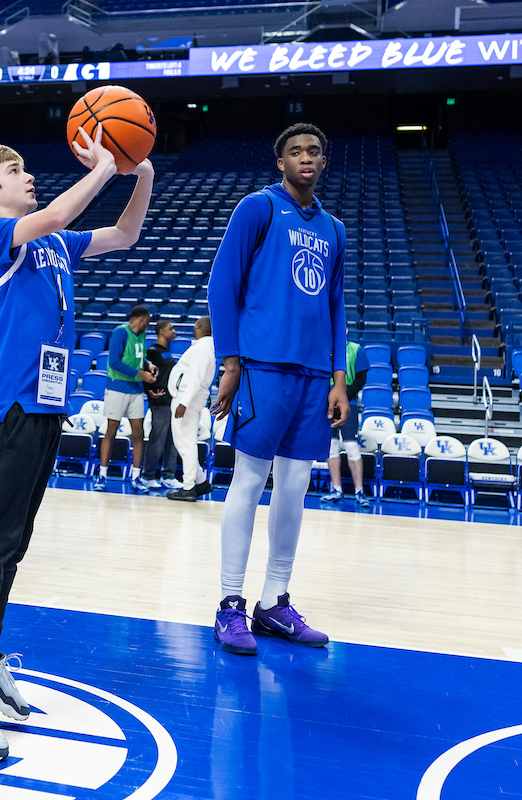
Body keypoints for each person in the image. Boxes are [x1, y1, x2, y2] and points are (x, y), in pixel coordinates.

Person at [0, 128, 153, 762]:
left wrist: (139, 173)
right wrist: (104, 166)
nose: (29, 175)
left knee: (12, 545)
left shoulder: (53, 243)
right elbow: (55, 212)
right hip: (11, 408)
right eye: (15, 170)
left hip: (47, 405)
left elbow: (124, 235)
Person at [207, 122, 348, 656]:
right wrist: (230, 362)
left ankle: (274, 603)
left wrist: (338, 378)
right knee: (248, 481)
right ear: (281, 162)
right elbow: (222, 284)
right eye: (295, 151)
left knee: (294, 488)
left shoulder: (334, 229)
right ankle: (230, 604)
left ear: (323, 162)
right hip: (262, 368)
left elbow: (336, 306)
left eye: (314, 151)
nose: (305, 157)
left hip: (314, 375)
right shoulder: (258, 208)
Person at [93, 305, 156, 492]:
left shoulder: (141, 335)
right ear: (141, 318)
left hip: (136, 389)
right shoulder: (120, 332)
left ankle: (135, 477)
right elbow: (114, 362)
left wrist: (148, 365)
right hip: (117, 388)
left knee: (138, 433)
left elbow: (137, 357)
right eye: (147, 321)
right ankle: (102, 475)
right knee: (111, 430)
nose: (148, 325)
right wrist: (141, 373)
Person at [165, 316, 216, 501]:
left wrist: (184, 402)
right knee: (184, 443)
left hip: (187, 399)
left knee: (186, 443)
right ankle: (201, 482)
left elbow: (195, 378)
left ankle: (188, 487)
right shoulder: (205, 347)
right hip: (190, 398)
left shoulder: (203, 347)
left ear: (199, 325)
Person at [322, 340, 370, 507]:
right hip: (329, 401)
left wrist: (344, 398)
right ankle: (336, 490)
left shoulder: (356, 349)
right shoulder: (326, 348)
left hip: (348, 402)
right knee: (332, 444)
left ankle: (359, 491)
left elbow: (361, 378)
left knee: (351, 445)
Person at [141, 318, 180, 490]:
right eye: (171, 328)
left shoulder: (167, 352)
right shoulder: (152, 352)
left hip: (171, 401)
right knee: (157, 439)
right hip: (159, 402)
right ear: (161, 331)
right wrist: (150, 391)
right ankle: (148, 476)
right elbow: (145, 374)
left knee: (172, 439)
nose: (174, 331)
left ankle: (168, 476)